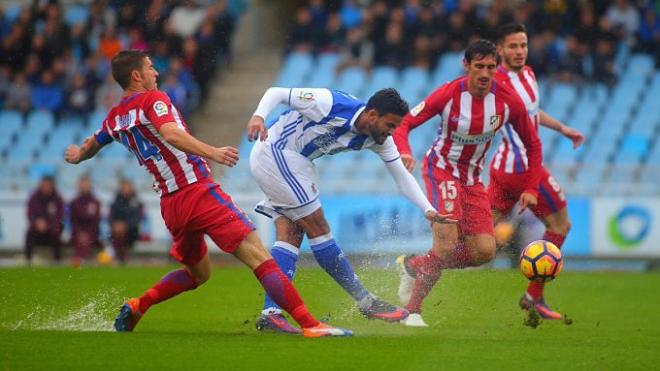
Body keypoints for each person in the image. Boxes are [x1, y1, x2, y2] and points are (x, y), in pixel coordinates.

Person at [64, 50, 351, 337]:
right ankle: (310, 325)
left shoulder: (115, 117)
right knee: (260, 257)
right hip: (197, 192)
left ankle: (140, 304)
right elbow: (171, 134)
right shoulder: (154, 99)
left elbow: (94, 143)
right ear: (136, 76)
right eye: (150, 68)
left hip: (171, 206)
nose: (156, 73)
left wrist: (78, 155)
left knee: (198, 274)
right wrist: (213, 152)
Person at [246, 87, 453, 333]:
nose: (392, 132)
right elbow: (277, 92)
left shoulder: (379, 140)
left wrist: (428, 210)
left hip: (295, 162)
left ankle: (271, 314)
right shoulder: (329, 103)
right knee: (318, 227)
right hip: (276, 152)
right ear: (373, 115)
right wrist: (259, 115)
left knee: (291, 232)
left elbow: (402, 177)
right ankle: (366, 300)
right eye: (390, 124)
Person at [393, 40, 543, 327]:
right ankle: (412, 311)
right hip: (442, 170)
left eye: (490, 67)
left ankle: (415, 264)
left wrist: (532, 188)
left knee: (484, 252)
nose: (485, 73)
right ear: (467, 65)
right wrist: (404, 150)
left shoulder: (507, 100)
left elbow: (533, 144)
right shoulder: (450, 93)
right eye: (479, 67)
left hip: (473, 179)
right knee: (447, 243)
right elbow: (405, 123)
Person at [488, 23, 585, 320]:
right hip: (523, 169)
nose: (519, 51)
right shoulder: (496, 82)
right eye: (513, 46)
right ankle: (534, 295)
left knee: (480, 242)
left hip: (501, 169)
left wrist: (562, 128)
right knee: (560, 226)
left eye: (523, 45)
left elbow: (531, 112)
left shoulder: (528, 74)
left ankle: (420, 266)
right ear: (500, 49)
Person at [25, 176, 64, 263]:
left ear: (52, 185)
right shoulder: (34, 197)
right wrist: (37, 223)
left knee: (57, 231)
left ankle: (57, 261)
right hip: (36, 228)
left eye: (48, 185)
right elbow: (29, 213)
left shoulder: (57, 198)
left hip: (51, 228)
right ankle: (28, 261)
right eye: (44, 184)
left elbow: (60, 215)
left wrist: (48, 224)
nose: (46, 187)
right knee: (29, 234)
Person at [69, 175, 102, 264]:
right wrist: (80, 232)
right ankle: (80, 259)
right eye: (83, 184)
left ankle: (81, 260)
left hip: (92, 232)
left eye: (87, 184)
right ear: (79, 186)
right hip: (77, 232)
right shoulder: (74, 202)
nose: (85, 186)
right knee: (80, 238)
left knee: (88, 238)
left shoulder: (95, 202)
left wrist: (87, 232)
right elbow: (73, 220)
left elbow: (96, 221)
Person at [109, 179, 143, 263]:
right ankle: (120, 256)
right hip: (117, 230)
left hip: (132, 231)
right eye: (124, 187)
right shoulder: (116, 202)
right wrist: (115, 224)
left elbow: (137, 218)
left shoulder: (137, 203)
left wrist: (126, 225)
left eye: (128, 187)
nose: (126, 189)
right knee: (117, 232)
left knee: (121, 233)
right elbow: (111, 217)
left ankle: (121, 256)